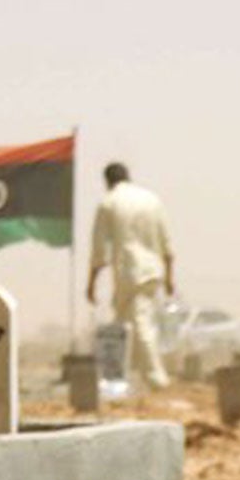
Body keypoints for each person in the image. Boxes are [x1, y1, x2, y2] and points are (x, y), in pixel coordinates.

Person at [87, 162, 175, 389]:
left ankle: (157, 381)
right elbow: (167, 244)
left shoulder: (109, 202)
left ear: (107, 181)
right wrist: (169, 278)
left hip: (130, 272)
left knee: (139, 324)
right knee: (124, 325)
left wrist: (91, 283)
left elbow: (99, 251)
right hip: (153, 270)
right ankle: (118, 380)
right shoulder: (151, 199)